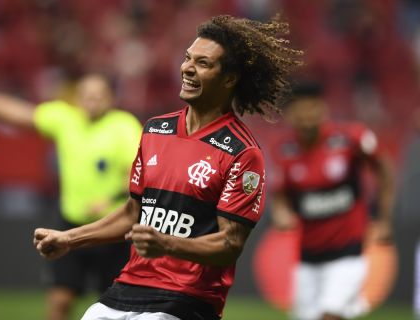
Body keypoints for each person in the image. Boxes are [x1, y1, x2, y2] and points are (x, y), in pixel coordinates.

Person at [33, 15, 302, 320]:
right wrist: (69, 239)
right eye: (188, 58)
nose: (187, 68)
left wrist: (167, 244)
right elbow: (132, 213)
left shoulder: (243, 152)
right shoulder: (155, 130)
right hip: (128, 288)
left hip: (188, 299)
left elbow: (230, 243)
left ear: (229, 79)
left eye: (203, 63)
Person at [0, 66, 143, 320]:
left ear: (111, 98)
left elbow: (138, 172)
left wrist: (111, 197)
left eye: (98, 94)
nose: (91, 100)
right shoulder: (66, 120)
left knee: (116, 307)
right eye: (86, 94)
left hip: (111, 229)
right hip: (71, 223)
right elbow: (17, 114)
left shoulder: (123, 127)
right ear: (77, 97)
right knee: (59, 301)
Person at [270, 81, 395, 320]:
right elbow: (281, 194)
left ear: (322, 109)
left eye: (312, 109)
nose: (308, 117)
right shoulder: (285, 150)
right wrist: (281, 212)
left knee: (330, 315)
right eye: (301, 111)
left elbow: (384, 170)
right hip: (307, 258)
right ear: (291, 115)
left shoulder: (351, 138)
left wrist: (383, 218)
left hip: (347, 254)